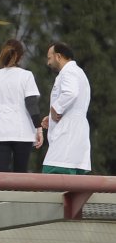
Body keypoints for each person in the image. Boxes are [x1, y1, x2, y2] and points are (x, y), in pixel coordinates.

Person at [0, 39, 43, 172]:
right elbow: (31, 104)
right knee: (20, 176)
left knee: (0, 176)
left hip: (0, 131)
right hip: (22, 131)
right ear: (20, 57)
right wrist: (39, 129)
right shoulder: (26, 75)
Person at [41, 42, 91, 174]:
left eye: (49, 58)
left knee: (49, 178)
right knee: (72, 186)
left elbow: (70, 93)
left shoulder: (69, 72)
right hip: (77, 135)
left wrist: (55, 109)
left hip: (67, 137)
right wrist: (51, 117)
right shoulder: (78, 72)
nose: (48, 63)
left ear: (58, 56)